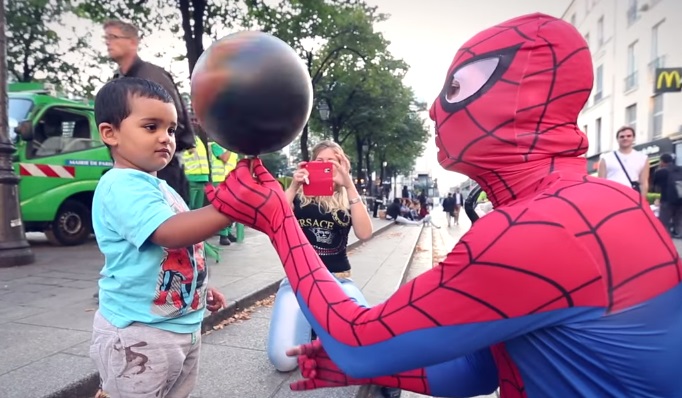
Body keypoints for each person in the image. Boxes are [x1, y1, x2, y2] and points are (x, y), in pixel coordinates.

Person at [207, 13, 682, 397]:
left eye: (456, 90)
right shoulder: (601, 201)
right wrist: (364, 371)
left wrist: (277, 219)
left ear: (528, 97)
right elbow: (478, 371)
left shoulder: (538, 228)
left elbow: (356, 340)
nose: (436, 108)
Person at [90, 77, 232, 398]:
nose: (165, 138)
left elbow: (180, 250)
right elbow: (167, 233)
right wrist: (230, 208)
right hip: (139, 335)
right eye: (151, 126)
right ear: (110, 133)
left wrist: (199, 286)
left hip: (179, 327)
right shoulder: (120, 185)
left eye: (170, 129)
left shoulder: (162, 189)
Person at [266, 140, 373, 372]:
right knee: (282, 360)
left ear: (343, 164)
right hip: (299, 281)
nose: (326, 166)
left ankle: (322, 331)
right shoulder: (298, 196)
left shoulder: (348, 198)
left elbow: (365, 233)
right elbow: (273, 221)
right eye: (320, 161)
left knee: (367, 343)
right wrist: (294, 186)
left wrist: (349, 185)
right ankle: (316, 330)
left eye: (332, 161)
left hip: (338, 278)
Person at [103, 19, 195, 203]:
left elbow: (175, 121)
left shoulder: (151, 77)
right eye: (106, 37)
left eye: (113, 37)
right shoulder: (119, 80)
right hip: (137, 171)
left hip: (161, 171)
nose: (107, 42)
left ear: (133, 42)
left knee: (169, 227)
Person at [598, 126, 649, 195]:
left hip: (632, 197)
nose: (625, 138)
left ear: (633, 138)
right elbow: (601, 183)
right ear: (617, 139)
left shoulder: (643, 158)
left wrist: (642, 202)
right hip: (610, 196)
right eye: (622, 136)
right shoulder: (605, 158)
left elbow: (643, 183)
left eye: (629, 136)